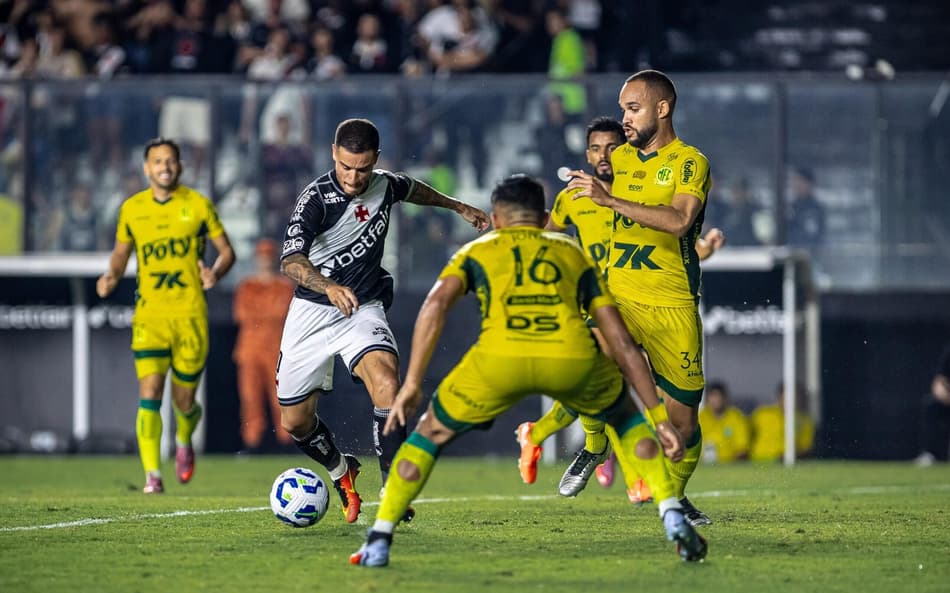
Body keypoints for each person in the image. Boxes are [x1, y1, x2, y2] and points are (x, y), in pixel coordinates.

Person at [350, 174, 708, 568]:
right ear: (541, 218)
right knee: (626, 421)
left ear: (497, 219)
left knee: (429, 434)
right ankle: (672, 515)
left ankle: (380, 539)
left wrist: (413, 383)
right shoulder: (572, 252)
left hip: (499, 360)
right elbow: (621, 341)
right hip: (570, 358)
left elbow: (435, 305)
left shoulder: (478, 250)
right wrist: (658, 419)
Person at [276, 118, 489, 524]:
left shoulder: (385, 184)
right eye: (345, 167)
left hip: (362, 306)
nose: (354, 178)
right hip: (312, 309)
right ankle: (343, 471)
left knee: (388, 384)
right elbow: (290, 261)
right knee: (295, 421)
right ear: (333, 155)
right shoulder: (315, 199)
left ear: (375, 159)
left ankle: (394, 487)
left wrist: (457, 206)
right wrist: (327, 286)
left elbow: (413, 189)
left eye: (362, 168)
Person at [517, 117, 725, 504]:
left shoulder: (643, 192)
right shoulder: (573, 198)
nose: (604, 156)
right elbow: (547, 234)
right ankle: (604, 453)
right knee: (591, 372)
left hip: (658, 304)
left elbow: (662, 250)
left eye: (612, 147)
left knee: (669, 408)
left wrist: (703, 252)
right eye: (595, 149)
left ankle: (655, 485)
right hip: (603, 302)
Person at [565, 70, 714, 526]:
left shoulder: (691, 162)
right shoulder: (619, 159)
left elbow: (679, 222)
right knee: (583, 358)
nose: (624, 119)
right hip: (621, 297)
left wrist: (609, 201)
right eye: (624, 108)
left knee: (683, 424)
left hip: (673, 306)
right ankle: (595, 444)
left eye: (634, 108)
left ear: (662, 109)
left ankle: (677, 498)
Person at [96, 138, 236, 494]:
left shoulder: (197, 205)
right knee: (150, 392)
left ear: (180, 166)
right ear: (147, 168)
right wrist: (111, 275)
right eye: (158, 161)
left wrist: (214, 274)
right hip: (151, 317)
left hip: (189, 315)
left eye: (171, 160)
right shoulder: (132, 209)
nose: (165, 166)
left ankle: (184, 438)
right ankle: (152, 476)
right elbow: (121, 253)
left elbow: (227, 252)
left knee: (183, 401)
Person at [232, 238, 295, 453]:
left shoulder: (284, 287)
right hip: (250, 350)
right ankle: (252, 444)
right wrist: (269, 314)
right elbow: (242, 313)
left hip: (276, 350)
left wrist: (262, 314)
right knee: (250, 399)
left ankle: (286, 444)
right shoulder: (247, 286)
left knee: (282, 399)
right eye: (262, 257)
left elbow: (283, 313)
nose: (265, 261)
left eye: (268, 257)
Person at [749, 382, 815, 462]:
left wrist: (790, 456)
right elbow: (748, 436)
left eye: (795, 397)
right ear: (779, 397)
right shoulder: (762, 413)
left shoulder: (804, 420)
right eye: (787, 397)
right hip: (758, 462)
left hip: (786, 463)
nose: (792, 400)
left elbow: (806, 448)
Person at [698, 381, 751, 463]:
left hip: (730, 465)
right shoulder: (701, 418)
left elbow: (742, 449)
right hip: (703, 465)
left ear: (725, 398)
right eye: (713, 396)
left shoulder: (736, 417)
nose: (717, 400)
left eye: (719, 396)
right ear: (707, 398)